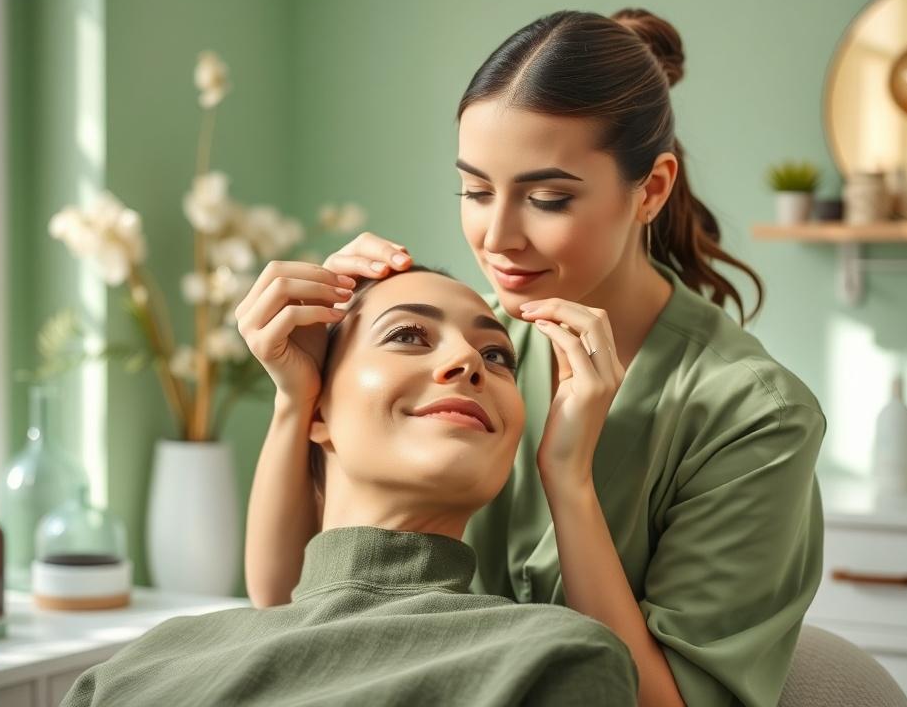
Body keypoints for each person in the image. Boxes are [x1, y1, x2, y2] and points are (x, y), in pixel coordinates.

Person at [244, 8, 827, 707]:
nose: (497, 237)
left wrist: (569, 482)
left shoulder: (755, 416)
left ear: (652, 189)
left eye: (547, 199)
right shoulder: (468, 343)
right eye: (475, 191)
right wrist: (301, 392)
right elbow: (286, 600)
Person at [61, 266, 638, 707]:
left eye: (496, 355)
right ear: (318, 410)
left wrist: (569, 473)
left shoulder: (552, 662)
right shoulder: (131, 672)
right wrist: (293, 398)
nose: (468, 361)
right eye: (408, 335)